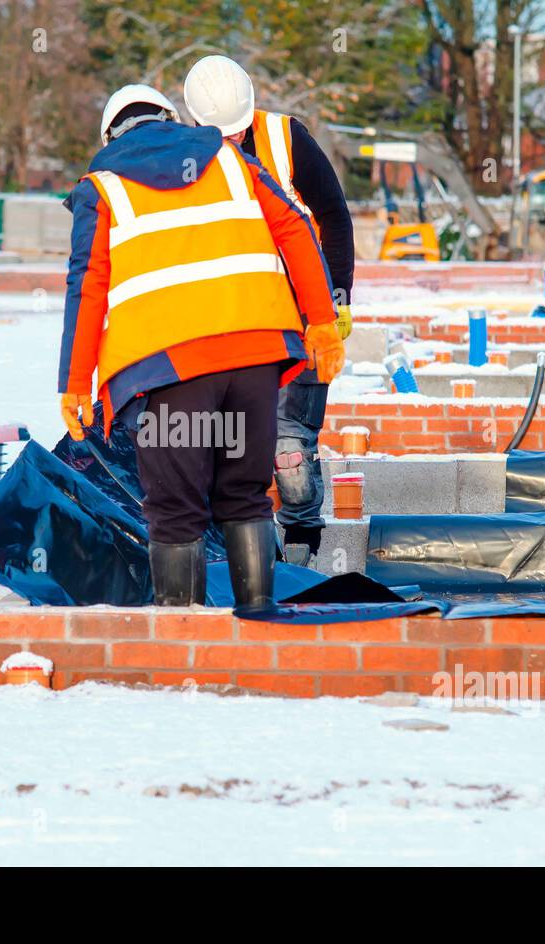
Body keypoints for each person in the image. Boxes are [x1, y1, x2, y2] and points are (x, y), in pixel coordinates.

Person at [58, 84, 344, 609]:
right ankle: (258, 629)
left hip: (171, 371)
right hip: (255, 359)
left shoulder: (102, 189)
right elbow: (298, 228)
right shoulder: (232, 160)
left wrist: (75, 385)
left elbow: (88, 284)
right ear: (172, 117)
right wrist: (322, 321)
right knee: (244, 497)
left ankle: (184, 653)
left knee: (176, 510)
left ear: (109, 135)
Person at [184, 54, 355, 568]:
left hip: (301, 320)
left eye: (238, 132)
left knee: (290, 446)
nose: (232, 142)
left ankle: (301, 554)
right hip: (230, 326)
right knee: (223, 443)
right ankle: (246, 559)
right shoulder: (185, 162)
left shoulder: (285, 139)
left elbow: (335, 218)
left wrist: (337, 305)